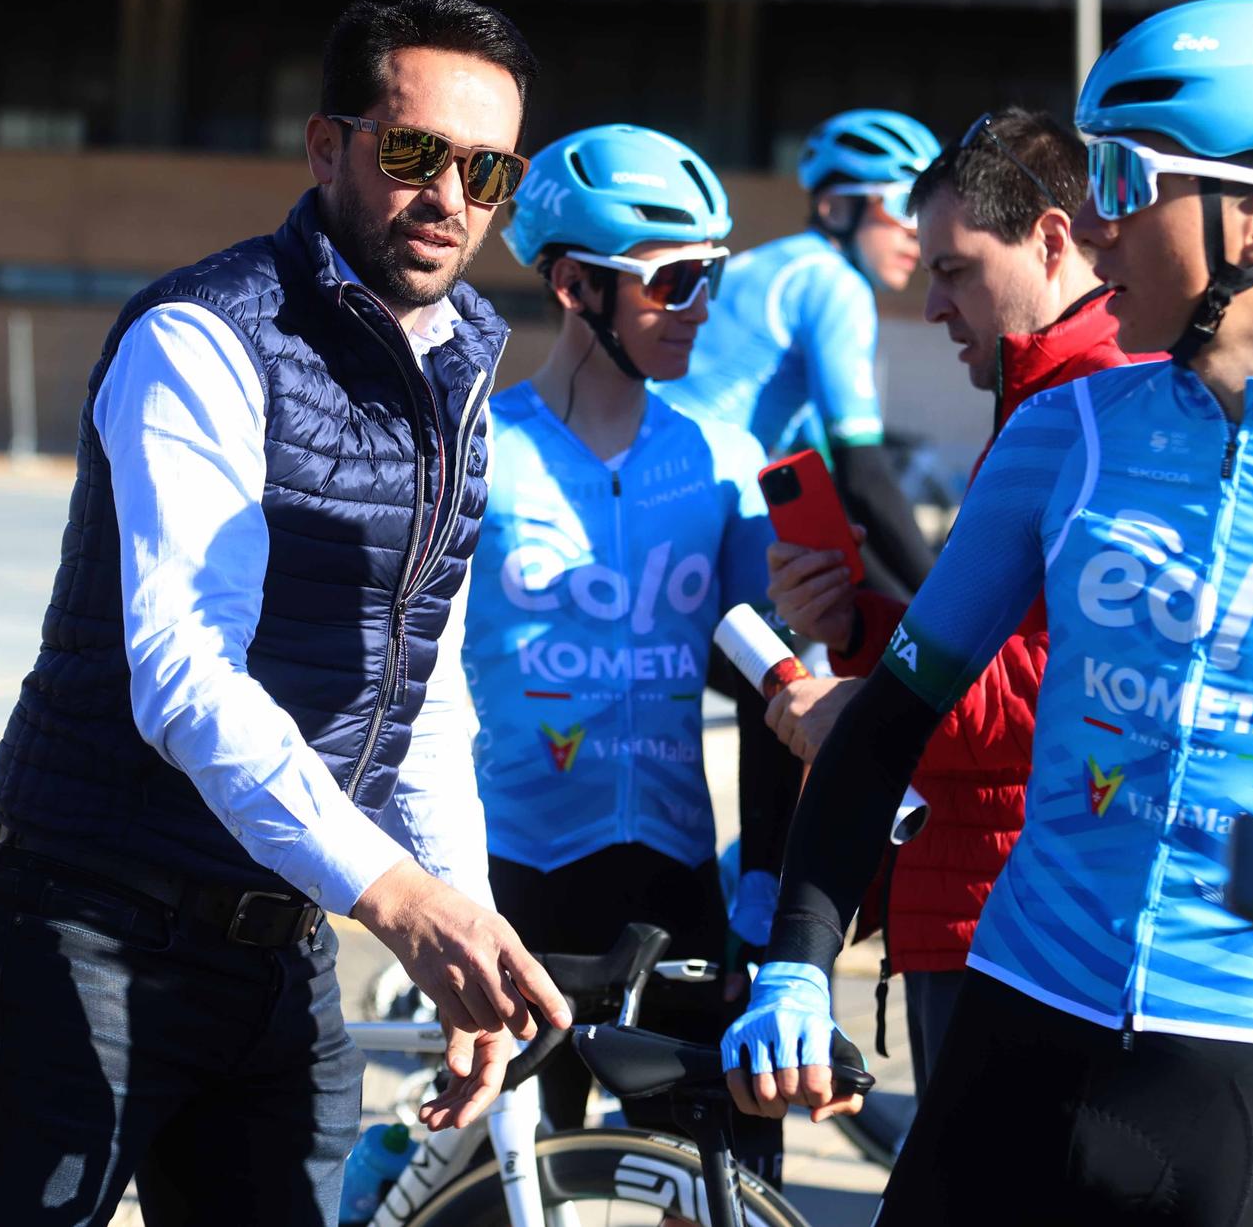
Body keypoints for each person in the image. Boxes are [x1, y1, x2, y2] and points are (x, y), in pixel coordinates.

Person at [723, 0, 1253, 1226]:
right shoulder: (1058, 435)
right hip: (1010, 1034)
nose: (1091, 224)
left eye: (1125, 180)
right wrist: (796, 970)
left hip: (1237, 1086)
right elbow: (885, 728)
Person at [0, 0, 569, 1227]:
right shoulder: (203, 336)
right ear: (327, 149)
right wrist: (396, 893)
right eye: (415, 152)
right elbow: (184, 670)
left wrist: (462, 928)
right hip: (84, 934)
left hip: (277, 953)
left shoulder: (461, 363)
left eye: (489, 171)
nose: (450, 199)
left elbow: (420, 687)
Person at [762, 108, 1144, 1097]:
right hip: (972, 894)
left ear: (1052, 240)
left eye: (954, 270)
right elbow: (990, 652)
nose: (932, 305)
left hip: (1012, 913)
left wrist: (864, 711)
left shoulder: (1103, 403)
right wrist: (856, 626)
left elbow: (1082, 690)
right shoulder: (1040, 402)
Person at [464, 124, 786, 1188]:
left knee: (718, 1175)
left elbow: (768, 688)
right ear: (571, 284)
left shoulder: (719, 458)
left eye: (711, 278)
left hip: (673, 872)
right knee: (509, 1183)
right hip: (514, 870)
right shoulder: (480, 451)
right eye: (674, 282)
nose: (699, 308)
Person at [658, 108, 943, 598]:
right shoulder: (834, 283)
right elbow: (864, 473)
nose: (917, 232)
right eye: (903, 206)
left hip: (657, 481)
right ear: (835, 207)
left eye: (926, 211)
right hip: (689, 498)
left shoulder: (778, 262)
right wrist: (942, 604)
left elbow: (825, 477)